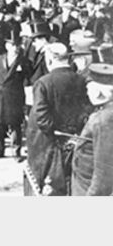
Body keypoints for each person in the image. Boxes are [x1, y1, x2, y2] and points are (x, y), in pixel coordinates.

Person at [25, 43, 91, 196]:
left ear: (49, 60)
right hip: (75, 140)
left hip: (50, 145)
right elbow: (86, 110)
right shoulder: (81, 80)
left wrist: (57, 134)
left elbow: (41, 118)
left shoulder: (43, 83)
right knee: (71, 184)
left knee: (50, 188)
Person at [0, 26, 31, 160]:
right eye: (11, 45)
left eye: (16, 45)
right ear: (7, 46)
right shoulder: (0, 59)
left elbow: (27, 78)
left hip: (15, 95)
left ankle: (16, 151)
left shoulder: (23, 61)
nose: (14, 47)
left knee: (15, 124)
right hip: (0, 94)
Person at [71, 63, 113, 195]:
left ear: (98, 92)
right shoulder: (105, 112)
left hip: (87, 189)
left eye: (89, 89)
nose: (87, 93)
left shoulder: (103, 120)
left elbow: (104, 171)